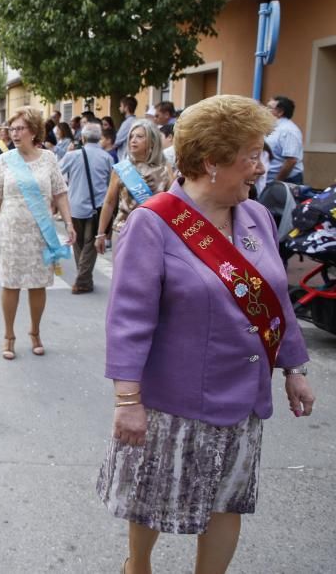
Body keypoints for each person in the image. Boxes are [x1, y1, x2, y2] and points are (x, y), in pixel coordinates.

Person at [96, 94, 315, 574]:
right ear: (212, 162)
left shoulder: (254, 215)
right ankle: (139, 567)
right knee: (149, 500)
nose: (261, 167)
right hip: (172, 400)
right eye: (251, 156)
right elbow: (129, 319)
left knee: (228, 500)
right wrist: (127, 400)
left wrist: (293, 368)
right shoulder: (152, 224)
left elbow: (274, 297)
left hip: (242, 395)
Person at [0, 107, 75, 360]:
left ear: (33, 131)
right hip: (11, 230)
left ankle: (35, 332)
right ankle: (9, 336)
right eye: (11, 129)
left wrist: (68, 223)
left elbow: (60, 193)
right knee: (10, 283)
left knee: (37, 284)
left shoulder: (49, 159)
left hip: (40, 231)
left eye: (19, 128)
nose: (14, 133)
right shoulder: (5, 160)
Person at [95, 120, 173, 254]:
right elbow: (109, 202)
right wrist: (101, 234)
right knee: (121, 275)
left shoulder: (165, 169)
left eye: (140, 136)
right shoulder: (122, 169)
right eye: (131, 136)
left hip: (153, 233)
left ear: (152, 141)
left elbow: (173, 205)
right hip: (123, 231)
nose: (133, 140)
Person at [59, 122, 113, 294]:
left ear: (82, 138)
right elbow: (110, 185)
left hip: (74, 206)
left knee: (79, 244)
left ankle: (82, 279)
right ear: (100, 138)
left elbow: (57, 174)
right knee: (90, 245)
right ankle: (84, 279)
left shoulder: (72, 156)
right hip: (98, 208)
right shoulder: (107, 158)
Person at [265, 95, 304, 183]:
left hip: (286, 181)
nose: (265, 110)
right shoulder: (272, 127)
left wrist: (277, 182)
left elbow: (291, 160)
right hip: (268, 180)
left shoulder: (288, 130)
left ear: (280, 112)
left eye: (269, 108)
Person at [113, 96, 138, 161]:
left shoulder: (127, 123)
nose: (119, 108)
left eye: (121, 106)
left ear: (126, 108)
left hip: (124, 157)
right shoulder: (135, 121)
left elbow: (117, 141)